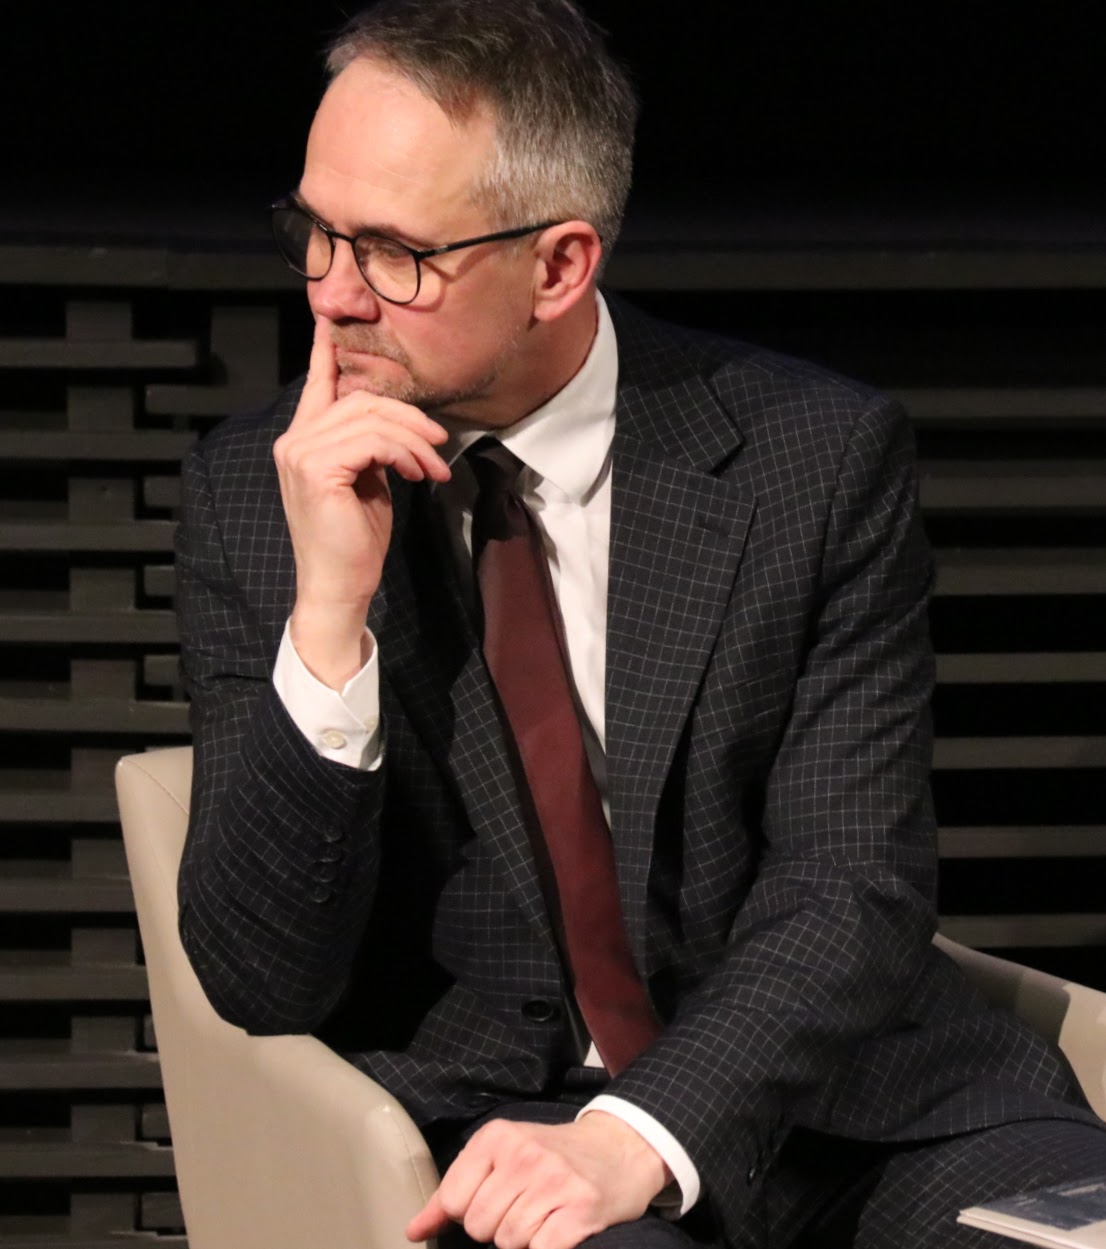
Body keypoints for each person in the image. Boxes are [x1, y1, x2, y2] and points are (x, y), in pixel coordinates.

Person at [175, 2, 1106, 1247]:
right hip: (496, 1122)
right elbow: (257, 976)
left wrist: (642, 1132)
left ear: (558, 266)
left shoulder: (811, 460)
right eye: (315, 233)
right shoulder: (259, 491)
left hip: (844, 1107)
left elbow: (849, 885)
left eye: (392, 252)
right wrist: (331, 613)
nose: (332, 296)